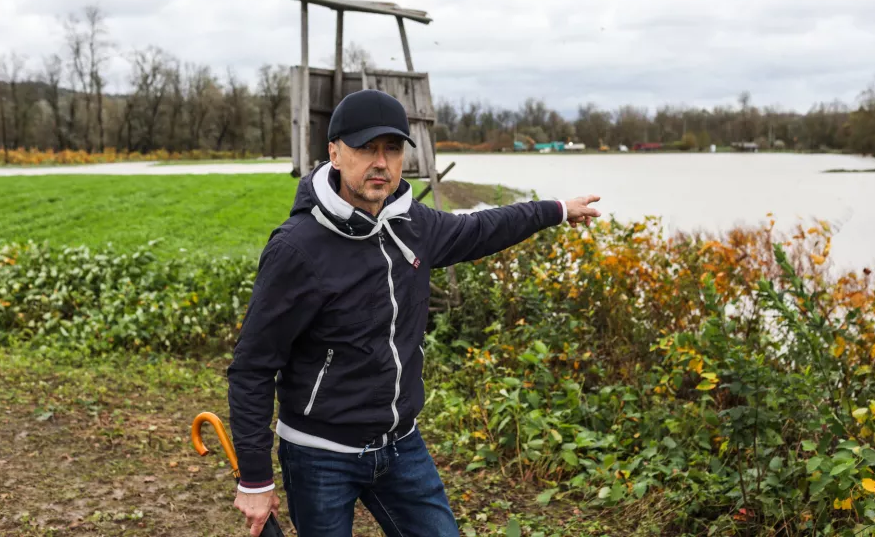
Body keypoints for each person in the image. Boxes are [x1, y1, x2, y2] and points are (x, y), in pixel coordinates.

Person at [227, 89, 601, 537]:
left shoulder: (413, 225)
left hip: (401, 445)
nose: (381, 162)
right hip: (320, 453)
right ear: (334, 152)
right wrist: (255, 478)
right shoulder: (297, 248)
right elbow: (252, 366)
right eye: (366, 148)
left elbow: (481, 228)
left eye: (392, 149)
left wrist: (556, 210)